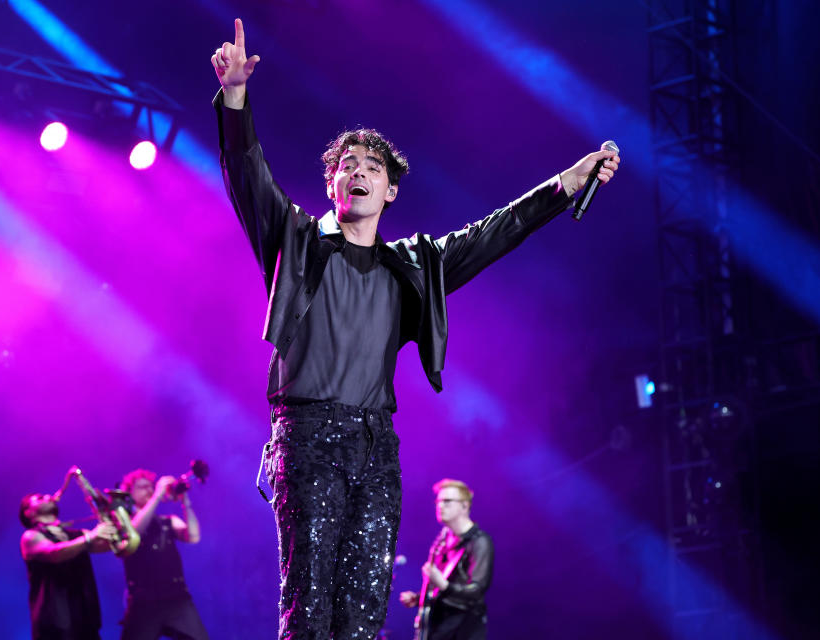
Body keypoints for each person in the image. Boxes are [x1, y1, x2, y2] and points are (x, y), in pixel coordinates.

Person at [210, 18, 620, 640]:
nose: (358, 172)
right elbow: (247, 174)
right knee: (310, 605)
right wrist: (236, 98)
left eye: (372, 166)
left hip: (377, 447)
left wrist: (566, 184)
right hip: (307, 438)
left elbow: (496, 231)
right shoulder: (292, 240)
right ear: (331, 183)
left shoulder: (414, 266)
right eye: (347, 164)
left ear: (391, 190)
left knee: (365, 615)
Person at [117, 469, 209, 640]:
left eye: (151, 486)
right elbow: (133, 533)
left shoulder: (168, 520)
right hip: (143, 602)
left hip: (176, 597)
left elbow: (193, 536)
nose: (149, 490)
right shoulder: (124, 522)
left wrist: (185, 501)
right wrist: (158, 495)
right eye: (142, 487)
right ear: (129, 493)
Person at [399, 479, 493, 640]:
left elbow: (476, 591)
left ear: (464, 506)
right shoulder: (442, 540)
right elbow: (442, 589)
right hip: (437, 629)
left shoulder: (479, 541)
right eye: (438, 501)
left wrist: (442, 584)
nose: (440, 506)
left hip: (463, 630)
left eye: (447, 501)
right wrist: (419, 597)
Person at [19, 491, 119, 640]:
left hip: (85, 620)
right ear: (28, 513)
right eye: (40, 498)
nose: (48, 496)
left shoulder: (79, 535)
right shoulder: (30, 536)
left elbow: (115, 545)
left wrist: (115, 516)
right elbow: (54, 553)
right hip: (55, 625)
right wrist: (90, 537)